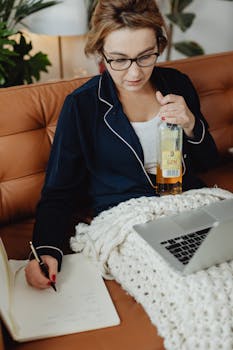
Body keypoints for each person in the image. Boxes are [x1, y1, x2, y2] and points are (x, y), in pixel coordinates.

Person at [25, 0, 219, 289]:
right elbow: (58, 191)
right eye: (118, 59)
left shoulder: (177, 84)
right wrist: (46, 249)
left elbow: (208, 162)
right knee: (191, 285)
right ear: (100, 51)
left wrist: (191, 123)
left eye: (145, 57)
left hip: (187, 202)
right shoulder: (82, 106)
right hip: (126, 218)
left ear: (159, 46)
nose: (134, 73)